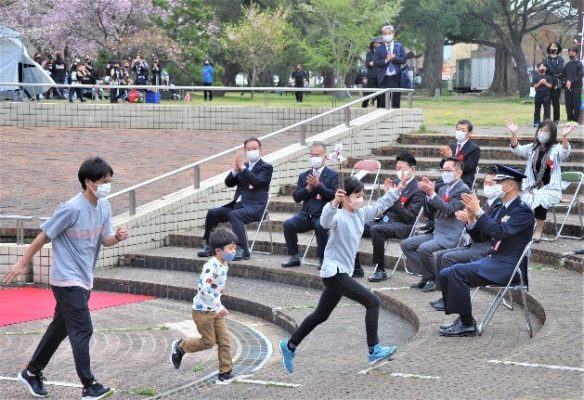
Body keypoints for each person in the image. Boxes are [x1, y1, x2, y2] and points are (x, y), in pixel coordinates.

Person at [2, 156, 129, 399]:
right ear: (89, 183)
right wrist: (22, 261)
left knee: (60, 328)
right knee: (83, 327)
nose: (108, 185)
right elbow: (43, 235)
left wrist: (119, 237)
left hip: (84, 277)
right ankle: (88, 385)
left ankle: (31, 372)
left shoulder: (104, 206)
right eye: (104, 181)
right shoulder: (70, 208)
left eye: (110, 181)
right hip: (66, 279)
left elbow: (106, 239)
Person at [279, 177, 405, 373]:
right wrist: (333, 203)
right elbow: (324, 222)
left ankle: (290, 346)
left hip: (341, 272)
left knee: (321, 314)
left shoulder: (361, 214)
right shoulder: (337, 216)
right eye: (357, 196)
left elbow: (381, 205)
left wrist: (398, 189)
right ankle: (374, 349)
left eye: (362, 196)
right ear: (345, 197)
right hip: (334, 272)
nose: (360, 199)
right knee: (372, 302)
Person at [438, 164, 535, 337]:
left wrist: (479, 212)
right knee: (446, 273)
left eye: (498, 181)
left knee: (455, 273)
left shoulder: (523, 212)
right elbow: (482, 237)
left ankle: (467, 324)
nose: (494, 185)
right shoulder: (500, 208)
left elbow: (500, 232)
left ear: (510, 185)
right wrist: (471, 220)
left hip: (508, 267)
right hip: (493, 260)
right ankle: (462, 318)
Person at [170, 228, 238, 384]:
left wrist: (218, 306)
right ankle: (181, 347)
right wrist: (219, 306)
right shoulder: (211, 266)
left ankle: (225, 372)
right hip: (203, 312)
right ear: (218, 251)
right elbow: (204, 288)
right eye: (230, 248)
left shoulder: (224, 264)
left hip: (215, 309)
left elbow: (216, 290)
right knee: (208, 342)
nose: (234, 251)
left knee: (224, 341)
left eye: (234, 248)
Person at [429, 167, 502, 311]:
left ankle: (450, 299)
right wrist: (470, 221)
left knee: (448, 258)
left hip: (487, 249)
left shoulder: (500, 206)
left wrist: (474, 218)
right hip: (477, 244)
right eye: (485, 183)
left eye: (491, 183)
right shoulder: (488, 203)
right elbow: (478, 234)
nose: (487, 186)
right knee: (440, 255)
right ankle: (446, 296)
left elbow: (493, 233)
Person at [400, 157, 471, 292]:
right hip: (437, 231)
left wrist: (432, 193)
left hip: (451, 234)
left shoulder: (463, 189)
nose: (445, 173)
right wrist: (427, 193)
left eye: (448, 170)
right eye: (443, 170)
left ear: (459, 173)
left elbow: (449, 209)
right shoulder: (444, 188)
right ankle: (427, 276)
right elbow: (433, 209)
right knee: (406, 244)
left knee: (424, 248)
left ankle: (434, 279)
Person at [198, 137, 273, 261]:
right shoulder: (243, 166)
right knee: (213, 213)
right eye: (249, 149)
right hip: (237, 206)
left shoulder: (266, 167)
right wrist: (235, 170)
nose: (252, 151)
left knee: (235, 215)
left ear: (260, 149)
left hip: (255, 207)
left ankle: (243, 249)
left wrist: (243, 168)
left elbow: (257, 182)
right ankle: (209, 246)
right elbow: (229, 183)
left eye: (254, 148)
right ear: (245, 151)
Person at [353, 152, 424, 282]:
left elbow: (409, 218)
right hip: (386, 220)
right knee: (355, 223)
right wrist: (386, 196)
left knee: (376, 230)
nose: (399, 172)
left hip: (403, 226)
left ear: (412, 169)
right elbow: (383, 207)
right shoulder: (395, 182)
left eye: (402, 168)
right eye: (397, 169)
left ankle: (380, 270)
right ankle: (355, 266)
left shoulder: (418, 189)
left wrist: (393, 198)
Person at [505, 119, 575, 242]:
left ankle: (538, 229)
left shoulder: (556, 149)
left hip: (551, 190)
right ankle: (520, 228)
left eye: (546, 131)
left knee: (539, 198)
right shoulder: (533, 148)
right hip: (533, 188)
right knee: (521, 198)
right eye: (541, 130)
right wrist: (514, 133)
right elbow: (517, 149)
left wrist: (564, 136)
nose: (542, 133)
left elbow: (565, 151)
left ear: (552, 134)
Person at [281, 142, 339, 269]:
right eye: (312, 155)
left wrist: (318, 186)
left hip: (324, 214)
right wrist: (308, 188)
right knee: (288, 224)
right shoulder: (304, 176)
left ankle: (323, 258)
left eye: (318, 155)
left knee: (320, 225)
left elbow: (332, 196)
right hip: (306, 215)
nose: (315, 157)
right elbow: (296, 197)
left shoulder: (333, 175)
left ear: (325, 156)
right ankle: (294, 257)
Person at [373, 25, 406, 109]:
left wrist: (394, 58)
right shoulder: (379, 48)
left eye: (389, 33)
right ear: (382, 35)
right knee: (382, 103)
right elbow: (375, 62)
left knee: (396, 102)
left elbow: (403, 60)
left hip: (396, 78)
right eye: (385, 33)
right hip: (383, 78)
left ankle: (395, 120)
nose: (387, 35)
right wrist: (386, 60)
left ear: (393, 34)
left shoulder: (399, 46)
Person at [543, 41, 564, 123]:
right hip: (548, 83)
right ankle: (546, 119)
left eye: (555, 47)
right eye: (551, 47)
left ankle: (556, 120)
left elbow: (560, 70)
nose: (553, 49)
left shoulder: (561, 59)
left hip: (557, 83)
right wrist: (554, 71)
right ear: (549, 48)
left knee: (556, 103)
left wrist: (551, 69)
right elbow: (547, 70)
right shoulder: (546, 59)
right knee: (547, 102)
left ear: (558, 49)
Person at [563, 47, 584, 122]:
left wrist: (571, 81)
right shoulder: (567, 65)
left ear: (576, 53)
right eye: (569, 53)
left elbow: (580, 75)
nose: (570, 54)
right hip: (568, 89)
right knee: (568, 106)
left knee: (576, 106)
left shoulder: (579, 64)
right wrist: (566, 81)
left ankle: (575, 121)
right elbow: (564, 76)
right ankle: (569, 120)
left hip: (576, 89)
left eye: (572, 52)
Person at [361, 37, 382, 108]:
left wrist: (374, 62)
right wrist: (375, 62)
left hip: (380, 77)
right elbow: (368, 64)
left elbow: (384, 63)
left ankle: (379, 111)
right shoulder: (369, 54)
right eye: (376, 43)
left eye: (379, 43)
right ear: (373, 44)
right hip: (371, 77)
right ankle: (363, 108)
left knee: (380, 95)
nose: (377, 44)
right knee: (367, 95)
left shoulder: (383, 53)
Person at [532, 62, 552, 127]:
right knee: (537, 108)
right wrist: (540, 82)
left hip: (547, 94)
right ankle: (536, 122)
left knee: (547, 109)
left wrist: (545, 83)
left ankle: (546, 123)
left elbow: (550, 86)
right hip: (538, 94)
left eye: (544, 66)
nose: (542, 68)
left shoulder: (548, 77)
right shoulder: (535, 77)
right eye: (540, 66)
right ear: (538, 68)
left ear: (546, 68)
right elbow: (535, 86)